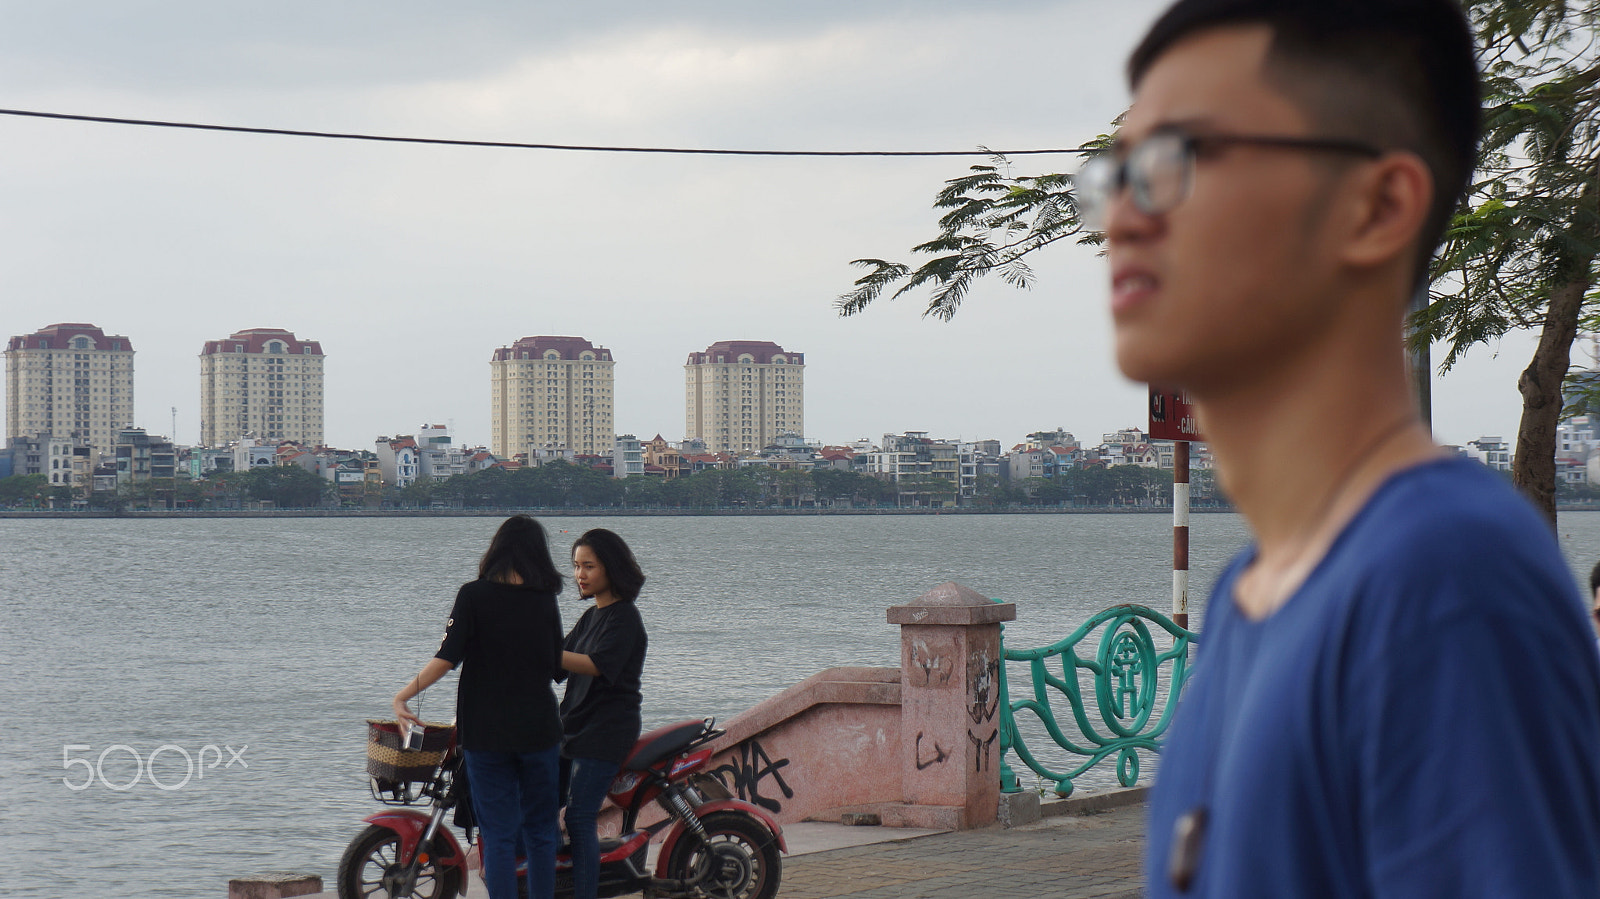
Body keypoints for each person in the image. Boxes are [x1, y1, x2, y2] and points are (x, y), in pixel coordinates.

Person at [1077, 0, 1600, 894]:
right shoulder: (1249, 600)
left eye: (1177, 162)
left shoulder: (1443, 579)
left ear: (1376, 204)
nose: (1120, 216)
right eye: (1113, 173)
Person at [393, 515, 565, 899]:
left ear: (496, 550)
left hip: (486, 734)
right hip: (538, 730)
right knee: (540, 833)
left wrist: (402, 696)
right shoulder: (544, 600)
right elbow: (557, 667)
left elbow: (446, 658)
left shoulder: (473, 595)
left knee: (498, 835)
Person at [558, 528, 648, 899]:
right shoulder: (589, 618)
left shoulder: (624, 617)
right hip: (573, 729)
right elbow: (558, 667)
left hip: (606, 730)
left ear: (610, 568)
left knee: (579, 818)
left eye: (589, 566)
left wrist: (540, 652)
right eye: (577, 566)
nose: (580, 574)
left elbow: (595, 664)